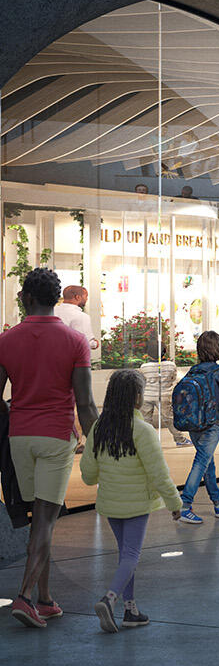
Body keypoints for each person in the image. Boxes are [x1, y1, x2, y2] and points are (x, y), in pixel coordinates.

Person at [1, 268, 97, 628]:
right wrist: (98, 441)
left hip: (20, 437)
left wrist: (17, 412)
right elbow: (86, 403)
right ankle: (25, 597)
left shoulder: (6, 340)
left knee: (38, 521)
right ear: (57, 299)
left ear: (25, 297)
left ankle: (44, 598)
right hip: (56, 435)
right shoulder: (74, 341)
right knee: (45, 519)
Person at [79, 368, 181, 633]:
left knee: (126, 556)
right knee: (131, 555)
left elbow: (88, 474)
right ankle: (109, 599)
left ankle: (131, 610)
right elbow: (159, 474)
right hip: (137, 504)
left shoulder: (99, 428)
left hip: (111, 504)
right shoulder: (143, 431)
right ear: (137, 396)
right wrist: (175, 504)